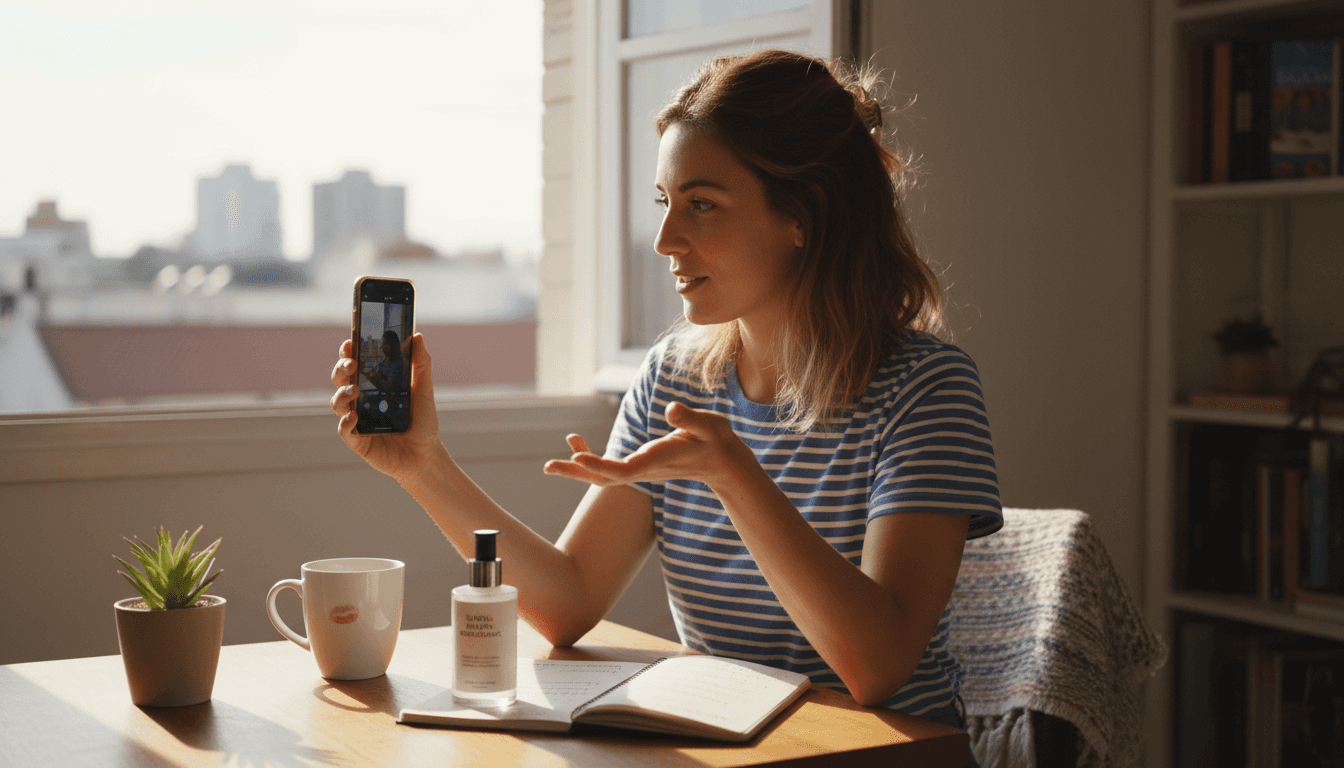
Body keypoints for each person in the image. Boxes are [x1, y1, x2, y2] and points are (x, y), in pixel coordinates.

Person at [330, 48, 1001, 750]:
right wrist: (422, 465)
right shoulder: (674, 379)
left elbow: (879, 668)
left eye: (701, 205)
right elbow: (569, 602)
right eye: (665, 202)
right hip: (729, 748)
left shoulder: (929, 390)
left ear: (802, 215)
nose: (664, 240)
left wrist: (734, 475)